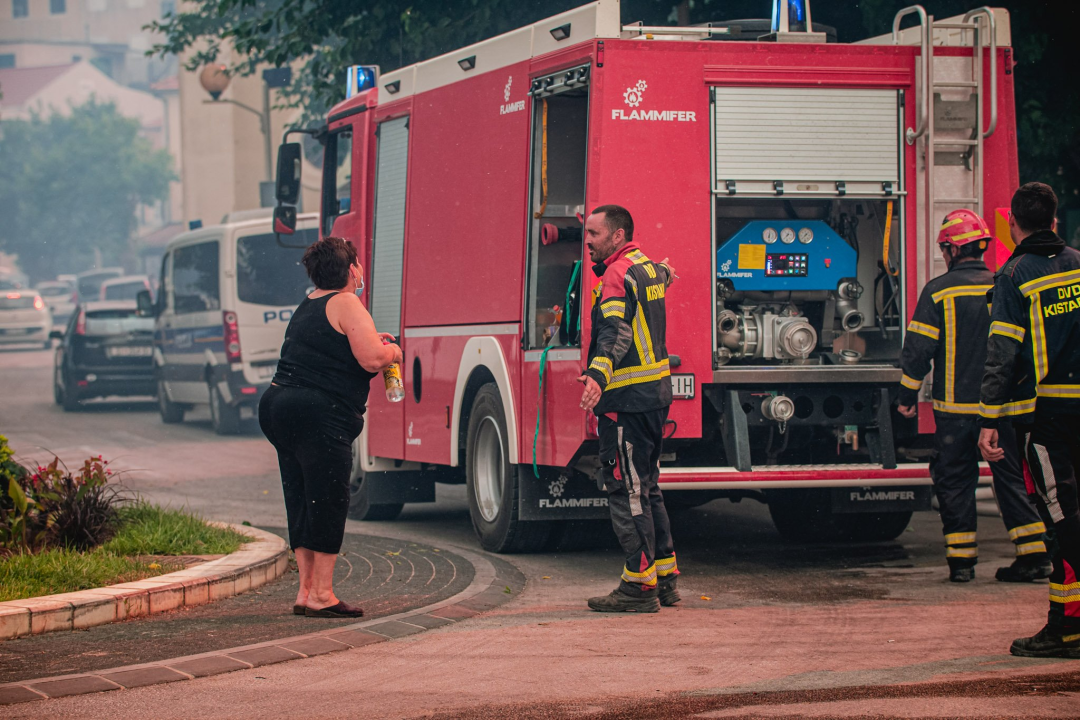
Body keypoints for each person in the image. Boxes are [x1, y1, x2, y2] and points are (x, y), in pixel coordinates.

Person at [897, 209, 1048, 583]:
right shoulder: (1003, 284)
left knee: (954, 481)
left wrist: (907, 395)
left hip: (955, 413)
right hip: (1002, 410)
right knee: (1012, 477)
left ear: (949, 250)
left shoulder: (938, 291)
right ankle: (1033, 556)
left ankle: (961, 563)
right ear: (981, 247)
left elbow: (918, 350)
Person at [259, 237, 402, 618]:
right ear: (351, 268)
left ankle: (305, 591)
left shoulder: (310, 302)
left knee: (303, 498)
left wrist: (372, 341)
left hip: (279, 406)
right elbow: (372, 357)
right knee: (328, 498)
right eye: (357, 264)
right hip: (317, 412)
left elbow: (331, 349)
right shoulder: (347, 302)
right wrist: (393, 352)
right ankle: (322, 594)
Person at [978, 182, 1080, 658]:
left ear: (1013, 225)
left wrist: (988, 416)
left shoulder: (1014, 274)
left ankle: (1066, 628)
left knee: (1062, 523)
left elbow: (1003, 353)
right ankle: (1065, 625)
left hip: (1050, 420)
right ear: (1055, 221)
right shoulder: (1079, 263)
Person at [578, 204, 678, 613]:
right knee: (648, 489)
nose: (587, 241)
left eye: (594, 234)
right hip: (653, 399)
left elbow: (615, 331)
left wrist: (597, 377)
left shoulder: (618, 275)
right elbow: (653, 292)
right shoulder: (648, 267)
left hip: (627, 404)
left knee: (627, 491)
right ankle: (665, 578)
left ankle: (639, 587)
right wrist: (667, 274)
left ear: (617, 236)